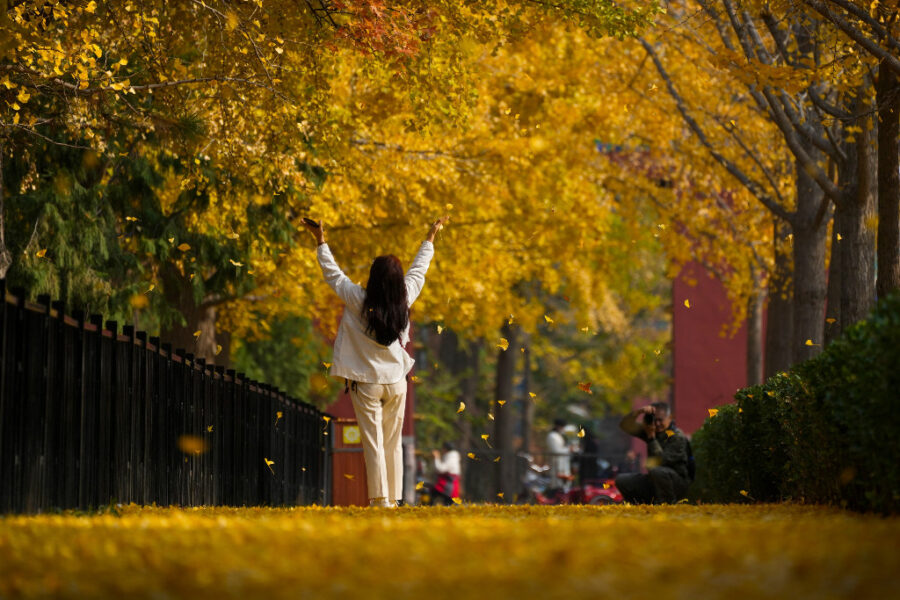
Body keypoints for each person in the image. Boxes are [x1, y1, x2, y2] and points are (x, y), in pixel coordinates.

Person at [305, 216, 449, 508]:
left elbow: (333, 274)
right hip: (397, 381)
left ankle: (380, 500)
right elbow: (419, 270)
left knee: (373, 443)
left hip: (366, 382)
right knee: (393, 442)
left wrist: (321, 240)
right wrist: (430, 237)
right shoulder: (405, 298)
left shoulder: (358, 298)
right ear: (397, 281)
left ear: (373, 276)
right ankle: (394, 500)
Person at [615, 401, 690, 504]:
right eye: (655, 420)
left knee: (657, 471)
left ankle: (667, 504)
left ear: (670, 418)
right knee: (621, 480)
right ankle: (639, 505)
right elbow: (625, 425)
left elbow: (662, 460)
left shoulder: (677, 436)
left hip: (676, 483)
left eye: (660, 420)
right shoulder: (652, 429)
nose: (657, 424)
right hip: (655, 480)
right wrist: (638, 412)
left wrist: (651, 438)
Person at [545, 418, 572, 490]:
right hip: (556, 463)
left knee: (564, 484)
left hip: (562, 463)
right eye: (562, 427)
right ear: (558, 426)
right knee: (557, 485)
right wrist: (568, 449)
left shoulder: (559, 435)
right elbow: (555, 450)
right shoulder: (552, 436)